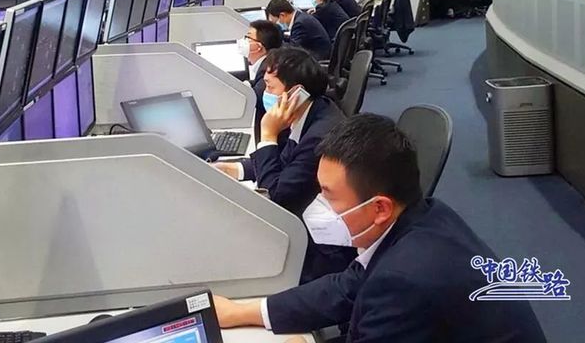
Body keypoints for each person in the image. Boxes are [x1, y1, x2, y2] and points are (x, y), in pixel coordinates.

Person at [213, 114, 547, 342]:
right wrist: (243, 312)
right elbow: (347, 287)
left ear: (380, 208)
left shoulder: (404, 280)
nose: (318, 205)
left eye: (328, 195)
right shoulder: (425, 216)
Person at [214, 48, 356, 282]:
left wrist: (268, 133)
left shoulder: (319, 136)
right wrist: (236, 169)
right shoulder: (313, 111)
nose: (265, 93)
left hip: (319, 249)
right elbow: (285, 162)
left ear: (296, 94)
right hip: (306, 218)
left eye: (270, 87)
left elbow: (277, 196)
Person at [238, 20, 284, 143]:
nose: (243, 41)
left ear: (259, 47)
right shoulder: (267, 62)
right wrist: (249, 83)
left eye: (248, 37)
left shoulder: (269, 69)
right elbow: (257, 83)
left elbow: (256, 98)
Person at [266, 0, 332, 60]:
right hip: (318, 52)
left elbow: (293, 48)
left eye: (276, 21)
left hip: (318, 58)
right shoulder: (301, 16)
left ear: (282, 15)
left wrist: (273, 44)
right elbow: (294, 39)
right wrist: (280, 36)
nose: (278, 23)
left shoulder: (300, 23)